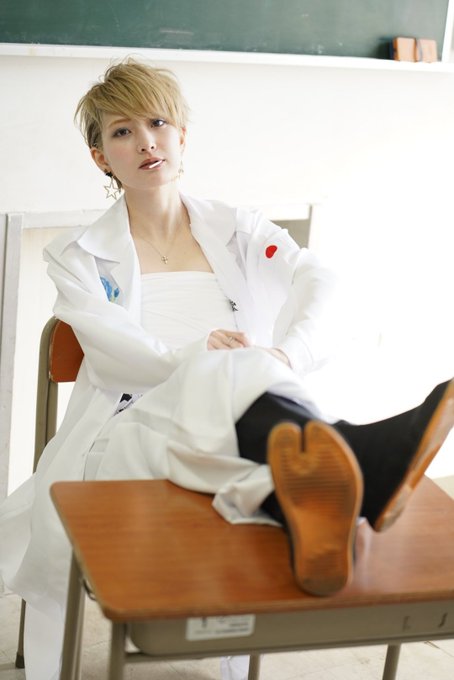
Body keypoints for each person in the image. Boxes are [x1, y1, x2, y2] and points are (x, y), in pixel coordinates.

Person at [0, 58, 452, 680]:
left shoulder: (237, 229)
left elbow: (321, 279)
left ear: (182, 136)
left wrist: (287, 356)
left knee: (242, 368)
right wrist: (201, 356)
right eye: (123, 132)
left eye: (158, 123)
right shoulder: (76, 257)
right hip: (130, 432)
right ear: (101, 157)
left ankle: (316, 483)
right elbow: (114, 352)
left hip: (234, 423)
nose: (146, 142)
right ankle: (360, 459)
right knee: (225, 368)